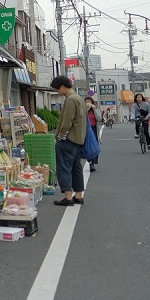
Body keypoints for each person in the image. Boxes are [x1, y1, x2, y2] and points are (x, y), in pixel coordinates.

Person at [51, 76, 87, 205]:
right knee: (76, 168)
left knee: (64, 168)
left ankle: (68, 197)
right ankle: (78, 195)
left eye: (58, 90)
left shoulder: (70, 100)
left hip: (68, 140)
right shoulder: (79, 99)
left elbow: (67, 122)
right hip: (78, 139)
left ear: (62, 87)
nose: (58, 93)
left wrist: (60, 136)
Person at [85, 96, 100, 172]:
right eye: (86, 102)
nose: (88, 103)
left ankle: (93, 163)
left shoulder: (95, 110)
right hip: (85, 129)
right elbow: (82, 117)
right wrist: (86, 108)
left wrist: (94, 109)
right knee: (87, 145)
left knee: (94, 145)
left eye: (89, 102)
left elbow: (99, 118)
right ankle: (89, 160)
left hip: (93, 128)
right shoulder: (83, 110)